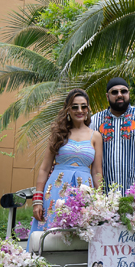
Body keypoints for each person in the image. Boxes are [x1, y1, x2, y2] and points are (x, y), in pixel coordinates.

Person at [30, 89, 103, 236]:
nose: (80, 110)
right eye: (75, 107)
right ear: (68, 110)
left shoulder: (95, 136)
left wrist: (99, 200)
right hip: (55, 190)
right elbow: (44, 169)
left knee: (79, 235)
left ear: (88, 109)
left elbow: (97, 171)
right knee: (49, 233)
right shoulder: (58, 134)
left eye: (84, 106)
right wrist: (38, 200)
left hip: (84, 193)